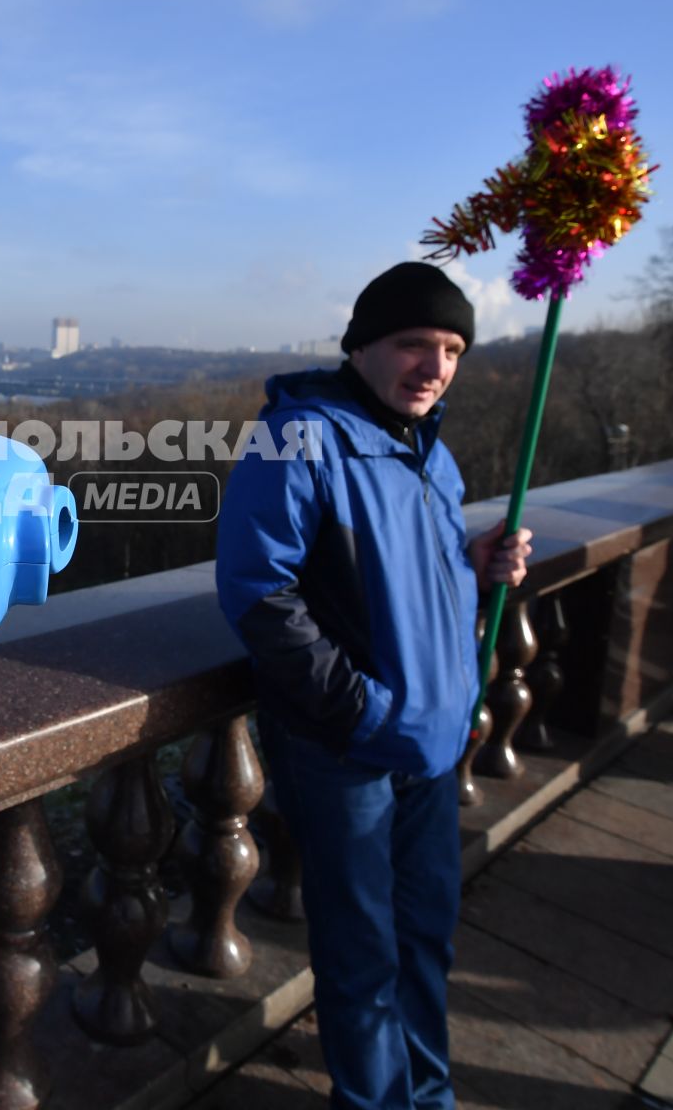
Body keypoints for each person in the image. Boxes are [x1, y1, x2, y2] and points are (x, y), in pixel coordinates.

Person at [216, 261, 530, 1110]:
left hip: (430, 742)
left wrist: (477, 562)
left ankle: (426, 1097)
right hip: (347, 749)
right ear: (361, 347)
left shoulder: (431, 452)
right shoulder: (298, 440)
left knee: (424, 940)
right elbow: (257, 592)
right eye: (414, 344)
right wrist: (363, 711)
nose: (435, 366)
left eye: (453, 348)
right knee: (363, 957)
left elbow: (405, 579)